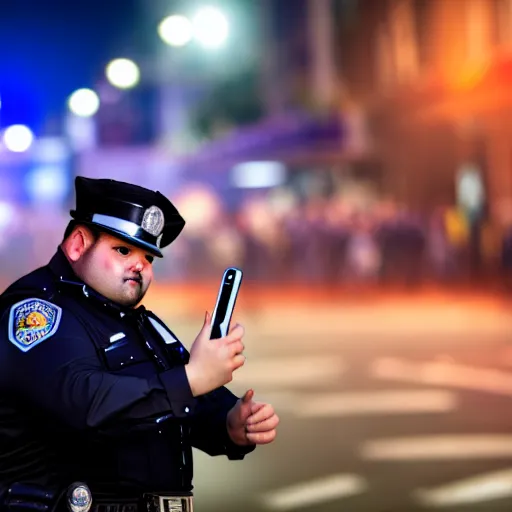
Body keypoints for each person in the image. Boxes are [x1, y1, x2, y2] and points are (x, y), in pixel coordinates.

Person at [0, 177, 279, 512]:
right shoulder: (37, 310)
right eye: (123, 250)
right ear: (77, 245)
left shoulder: (140, 323)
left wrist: (229, 422)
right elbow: (86, 402)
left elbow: (174, 404)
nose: (139, 265)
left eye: (148, 257)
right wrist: (193, 377)